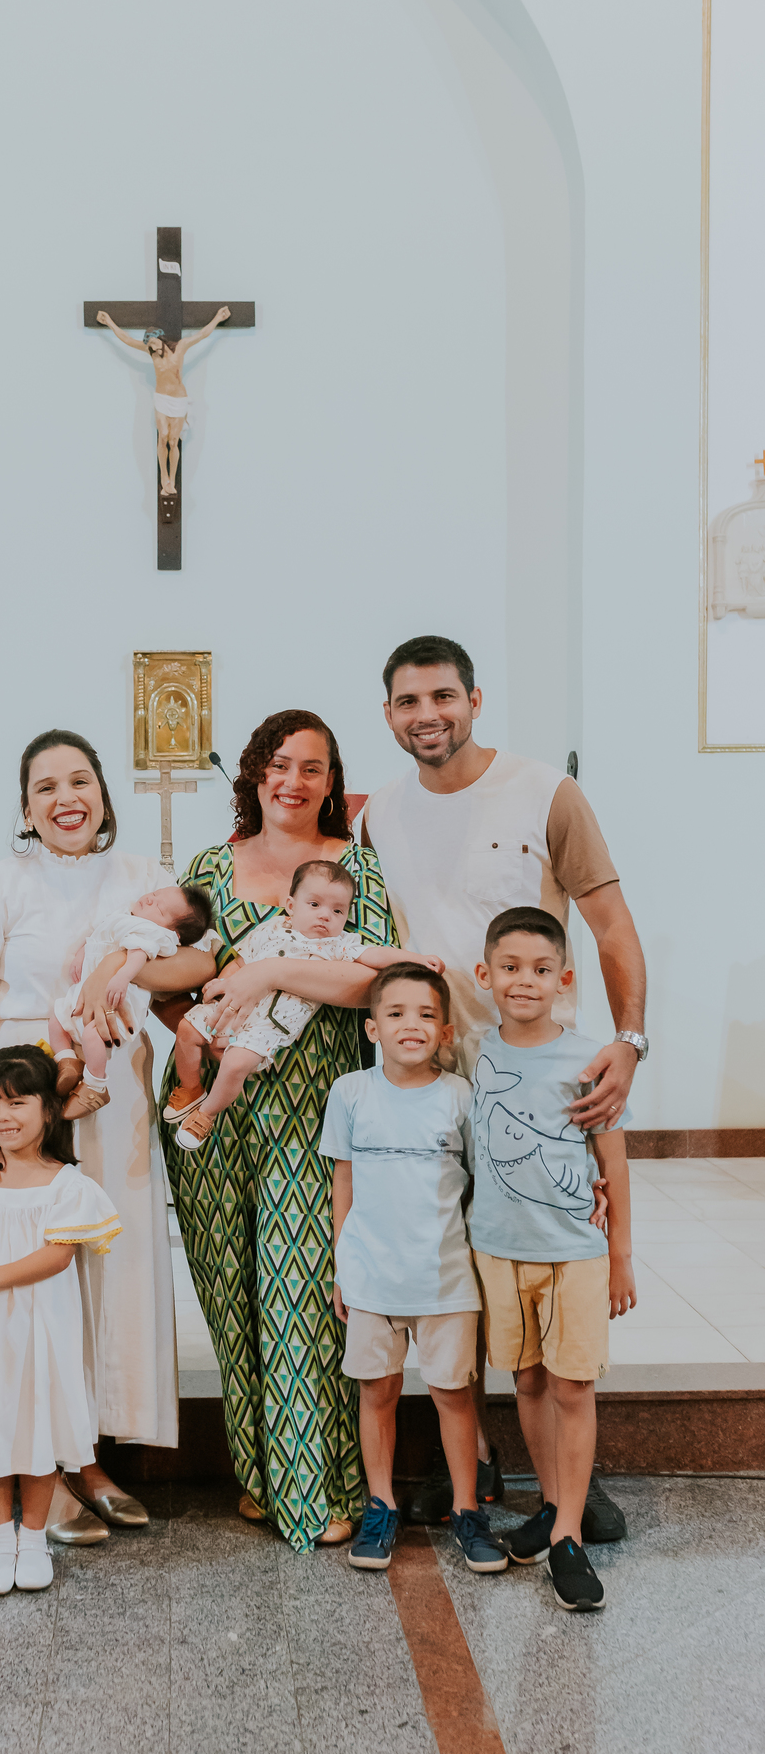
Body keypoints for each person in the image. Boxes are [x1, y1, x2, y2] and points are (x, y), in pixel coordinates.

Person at [364, 634, 646, 1537]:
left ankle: (568, 1481)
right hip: (438, 1085)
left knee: (550, 1266)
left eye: (443, 696)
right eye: (409, 702)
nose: (427, 715)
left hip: (539, 1081)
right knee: (465, 1277)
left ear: (475, 701)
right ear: (390, 715)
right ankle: (476, 1466)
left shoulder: (544, 794)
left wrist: (631, 1039)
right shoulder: (382, 818)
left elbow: (608, 925)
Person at [0, 729, 213, 1543]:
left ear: (103, 794)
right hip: (18, 1092)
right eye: (44, 786)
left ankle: (88, 1453)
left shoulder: (141, 880)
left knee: (104, 1268)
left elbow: (198, 965)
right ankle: (41, 1460)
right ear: (25, 807)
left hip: (112, 1089)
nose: (64, 797)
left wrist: (117, 969)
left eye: (79, 779)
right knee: (30, 1277)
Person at [159, 709, 396, 1551]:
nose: (294, 781)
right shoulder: (207, 867)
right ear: (255, 774)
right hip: (217, 1101)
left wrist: (263, 969)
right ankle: (260, 1477)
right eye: (279, 765)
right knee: (232, 1292)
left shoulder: (356, 868)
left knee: (301, 1290)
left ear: (333, 781)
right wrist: (187, 1019)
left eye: (313, 767)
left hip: (315, 1098)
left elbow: (375, 984)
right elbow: (177, 971)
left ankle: (318, 1485)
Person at [469, 908, 636, 1611]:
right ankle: (547, 1500)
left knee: (572, 1387)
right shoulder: (474, 1051)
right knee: (528, 1380)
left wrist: (621, 1253)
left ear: (564, 980)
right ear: (485, 975)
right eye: (509, 967)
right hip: (498, 1249)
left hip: (573, 1250)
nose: (524, 982)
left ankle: (567, 1532)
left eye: (541, 970)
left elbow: (613, 1163)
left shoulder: (588, 1058)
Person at [323, 963, 508, 1577]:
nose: (412, 1025)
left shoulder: (461, 1098)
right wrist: (341, 1268)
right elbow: (342, 1183)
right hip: (371, 1275)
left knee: (453, 1395)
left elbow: (483, 1185)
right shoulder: (350, 1093)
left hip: (446, 1278)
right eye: (397, 1013)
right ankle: (380, 1507)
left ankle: (465, 1511)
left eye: (426, 1015)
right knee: (377, 1392)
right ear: (372, 1028)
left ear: (447, 1031)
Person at [0, 1047, 122, 1596]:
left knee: (38, 1427)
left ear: (49, 1110)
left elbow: (58, 1257)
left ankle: (33, 1540)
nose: (1, 1116)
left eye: (16, 1102)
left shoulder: (65, 1184)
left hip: (43, 1329)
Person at [169, 859, 437, 1150]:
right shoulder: (270, 929)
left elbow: (377, 956)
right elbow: (241, 960)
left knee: (236, 1064)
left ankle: (205, 1114)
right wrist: (223, 983)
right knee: (187, 1029)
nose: (325, 916)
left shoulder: (339, 945)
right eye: (314, 905)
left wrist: (416, 960)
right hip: (233, 1007)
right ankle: (190, 1088)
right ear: (291, 905)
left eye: (337, 910)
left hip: (269, 1026)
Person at [47, 882, 213, 1113]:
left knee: (93, 1035)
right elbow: (97, 936)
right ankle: (67, 1061)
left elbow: (137, 955)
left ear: (172, 932)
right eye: (155, 895)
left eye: (160, 909)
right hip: (87, 992)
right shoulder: (124, 915)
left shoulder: (149, 931)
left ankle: (95, 1084)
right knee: (56, 1020)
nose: (149, 900)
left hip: (119, 999)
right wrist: (80, 955)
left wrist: (122, 976)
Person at [95, 306, 231, 496]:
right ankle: (163, 477)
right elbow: (126, 340)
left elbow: (201, 335)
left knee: (174, 441)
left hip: (179, 400)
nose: (151, 347)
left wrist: (217, 318)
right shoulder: (151, 353)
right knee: (163, 436)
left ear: (160, 338)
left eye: (153, 342)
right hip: (161, 399)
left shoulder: (180, 348)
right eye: (149, 345)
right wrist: (109, 322)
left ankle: (171, 481)